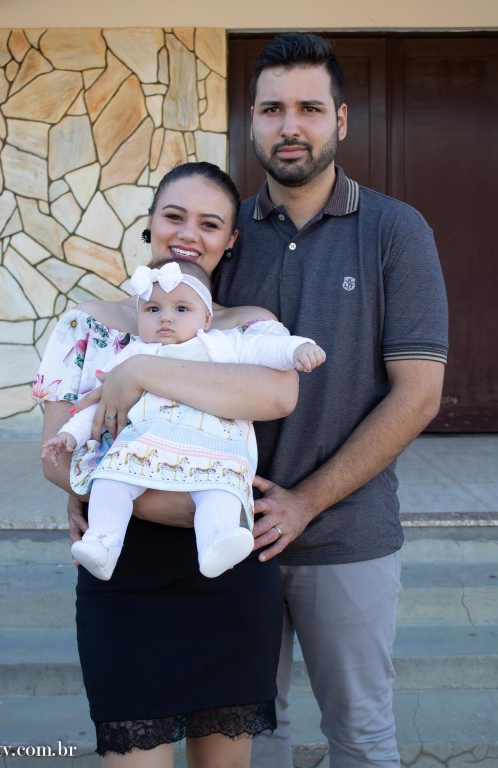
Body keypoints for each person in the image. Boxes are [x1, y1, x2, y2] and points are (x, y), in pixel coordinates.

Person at [212, 32, 449, 768]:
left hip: (349, 534)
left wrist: (305, 502)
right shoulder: (220, 235)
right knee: (254, 734)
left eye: (310, 108)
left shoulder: (394, 231)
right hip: (229, 532)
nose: (291, 126)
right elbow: (157, 351)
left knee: (362, 736)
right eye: (272, 109)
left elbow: (419, 397)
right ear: (250, 121)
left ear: (341, 120)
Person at [34, 161, 301, 768]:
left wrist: (142, 370)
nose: (188, 234)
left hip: (228, 573)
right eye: (174, 216)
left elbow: (278, 395)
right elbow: (55, 456)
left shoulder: (248, 326)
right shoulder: (85, 324)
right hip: (123, 568)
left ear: (231, 239)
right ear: (150, 223)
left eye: (210, 223)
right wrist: (171, 507)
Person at [41, 259, 323, 580]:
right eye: (152, 309)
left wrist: (298, 349)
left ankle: (216, 542)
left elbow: (266, 348)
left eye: (181, 309)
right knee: (109, 480)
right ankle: (102, 542)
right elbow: (98, 404)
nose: (166, 317)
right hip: (142, 449)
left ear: (206, 319)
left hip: (209, 449)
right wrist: (70, 435)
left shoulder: (222, 345)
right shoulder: (131, 356)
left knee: (221, 488)